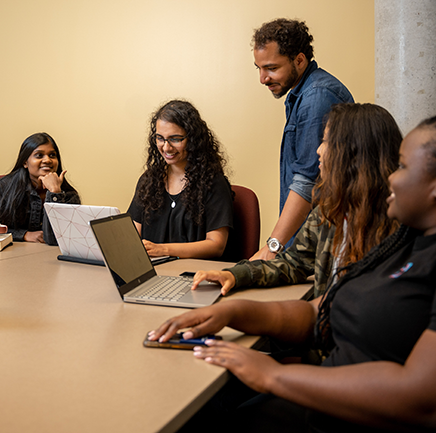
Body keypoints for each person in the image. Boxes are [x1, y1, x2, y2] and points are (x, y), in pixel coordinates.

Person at [149, 112, 436, 432]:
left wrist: (273, 377)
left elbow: (431, 399)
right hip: (326, 398)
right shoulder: (409, 239)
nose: (392, 175)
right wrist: (231, 312)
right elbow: (321, 311)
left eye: (404, 166)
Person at [192, 103, 401, 299]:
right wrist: (235, 275)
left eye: (327, 142)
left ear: (355, 153)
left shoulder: (401, 226)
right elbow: (293, 263)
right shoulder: (329, 211)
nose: (318, 150)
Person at [251, 18, 354, 261]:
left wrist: (272, 247)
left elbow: (307, 181)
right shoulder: (303, 92)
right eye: (259, 68)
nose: (263, 78)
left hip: (319, 246)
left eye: (272, 68)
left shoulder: (317, 97)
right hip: (307, 241)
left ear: (299, 60)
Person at [128, 100, 234, 260]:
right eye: (160, 138)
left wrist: (162, 249)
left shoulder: (213, 183)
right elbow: (131, 235)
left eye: (175, 139)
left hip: (194, 275)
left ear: (193, 139)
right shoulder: (149, 180)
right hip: (154, 274)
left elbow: (216, 245)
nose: (166, 147)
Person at [0, 132, 80, 244]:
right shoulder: (4, 187)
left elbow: (60, 238)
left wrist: (55, 193)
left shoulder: (70, 195)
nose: (47, 160)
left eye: (52, 155)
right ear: (25, 162)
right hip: (11, 254)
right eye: (39, 155)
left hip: (51, 256)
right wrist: (24, 235)